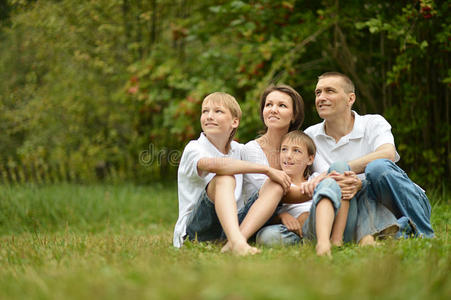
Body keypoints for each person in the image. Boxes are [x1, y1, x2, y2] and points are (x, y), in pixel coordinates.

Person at [304, 71, 434, 243]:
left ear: (350, 99)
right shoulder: (310, 136)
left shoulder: (373, 123)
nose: (321, 97)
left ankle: (424, 233)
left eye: (330, 91)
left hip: (403, 202)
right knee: (355, 196)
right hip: (356, 210)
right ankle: (398, 230)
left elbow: (387, 153)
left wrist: (344, 172)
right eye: (318, 92)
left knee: (377, 167)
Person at [173, 92, 292, 256]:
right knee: (225, 177)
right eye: (205, 111)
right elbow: (216, 165)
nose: (209, 116)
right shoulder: (194, 148)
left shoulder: (239, 150)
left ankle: (233, 241)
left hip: (233, 224)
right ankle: (237, 242)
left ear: (234, 122)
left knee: (273, 184)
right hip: (197, 230)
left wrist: (280, 212)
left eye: (218, 111)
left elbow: (261, 186)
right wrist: (266, 169)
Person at [256, 130, 346, 256]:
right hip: (295, 230)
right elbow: (264, 213)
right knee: (266, 236)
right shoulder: (275, 182)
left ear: (310, 159)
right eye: (284, 149)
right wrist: (282, 216)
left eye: (296, 151)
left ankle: (327, 240)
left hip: (323, 221)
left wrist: (308, 215)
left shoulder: (316, 177)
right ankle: (307, 242)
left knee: (337, 171)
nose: (288, 155)